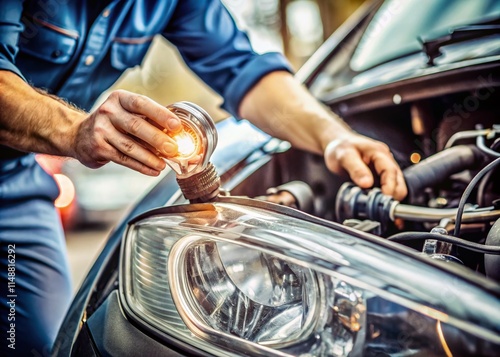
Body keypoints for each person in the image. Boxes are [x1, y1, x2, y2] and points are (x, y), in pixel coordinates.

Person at [0, 1, 407, 355]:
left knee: (27, 342)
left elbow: (243, 69)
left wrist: (334, 137)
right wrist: (76, 130)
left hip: (14, 193)